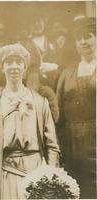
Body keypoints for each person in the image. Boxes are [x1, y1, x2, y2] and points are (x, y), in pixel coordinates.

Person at [0, 43, 60, 199]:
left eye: (19, 62)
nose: (14, 67)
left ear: (25, 66)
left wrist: (51, 176)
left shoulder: (40, 102)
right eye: (9, 62)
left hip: (36, 172)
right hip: (5, 172)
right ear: (2, 67)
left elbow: (52, 146)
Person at [56, 17, 96, 199]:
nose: (82, 42)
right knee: (75, 187)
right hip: (72, 142)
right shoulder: (67, 73)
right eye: (79, 38)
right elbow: (59, 112)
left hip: (95, 139)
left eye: (87, 36)